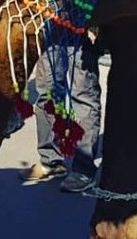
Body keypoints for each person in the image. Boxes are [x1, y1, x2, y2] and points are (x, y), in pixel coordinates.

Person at [24, 38, 101, 191]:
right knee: (47, 93)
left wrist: (95, 25)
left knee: (83, 96)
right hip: (52, 31)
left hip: (82, 30)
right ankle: (50, 161)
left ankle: (83, 170)